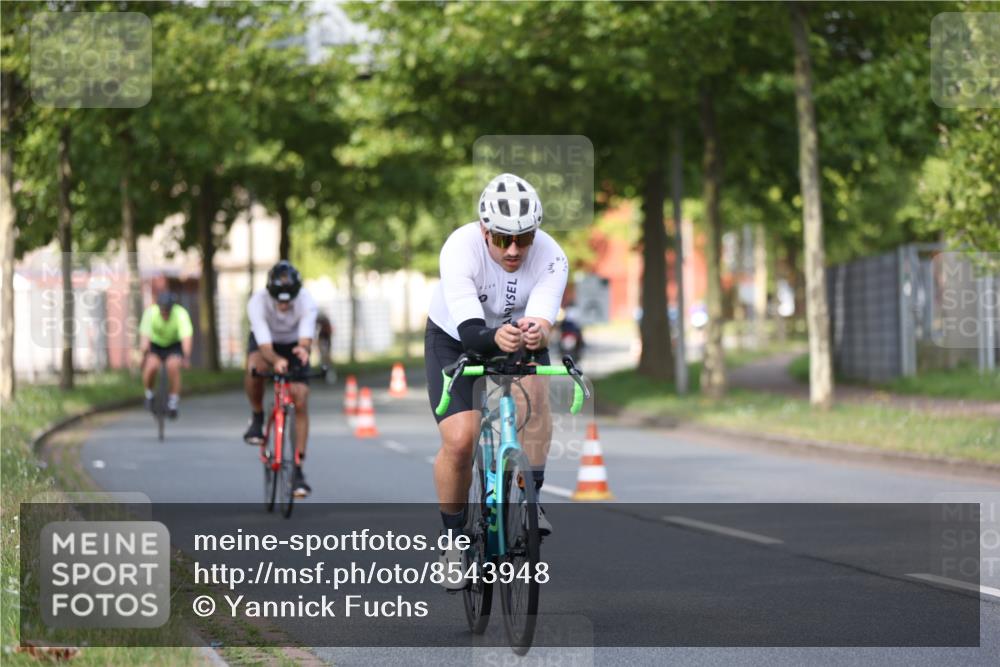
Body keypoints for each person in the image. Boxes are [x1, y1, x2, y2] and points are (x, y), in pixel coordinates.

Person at [425, 173, 568, 588]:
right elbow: (472, 333)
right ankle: (453, 541)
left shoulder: (552, 256)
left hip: (517, 336)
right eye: (503, 239)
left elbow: (542, 321)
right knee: (461, 439)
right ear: (484, 230)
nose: (513, 250)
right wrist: (493, 338)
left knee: (535, 397)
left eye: (523, 239)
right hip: (456, 337)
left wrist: (538, 333)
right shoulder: (460, 248)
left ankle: (530, 498)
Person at [243, 260, 318, 498]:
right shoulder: (257, 302)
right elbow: (264, 345)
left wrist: (303, 350)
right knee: (255, 367)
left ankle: (298, 469)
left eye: (289, 300)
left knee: (300, 397)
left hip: (294, 344)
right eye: (279, 300)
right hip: (266, 344)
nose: (284, 305)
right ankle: (257, 417)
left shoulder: (306, 301)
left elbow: (305, 339)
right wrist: (275, 361)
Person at [139, 292, 194, 418]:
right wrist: (143, 356)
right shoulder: (150, 313)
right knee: (151, 367)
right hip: (156, 345)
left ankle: (173, 401)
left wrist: (186, 357)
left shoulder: (180, 314)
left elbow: (186, 337)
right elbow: (145, 338)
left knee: (173, 366)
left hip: (174, 345)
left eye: (167, 311)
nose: (165, 314)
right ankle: (149, 394)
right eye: (162, 311)